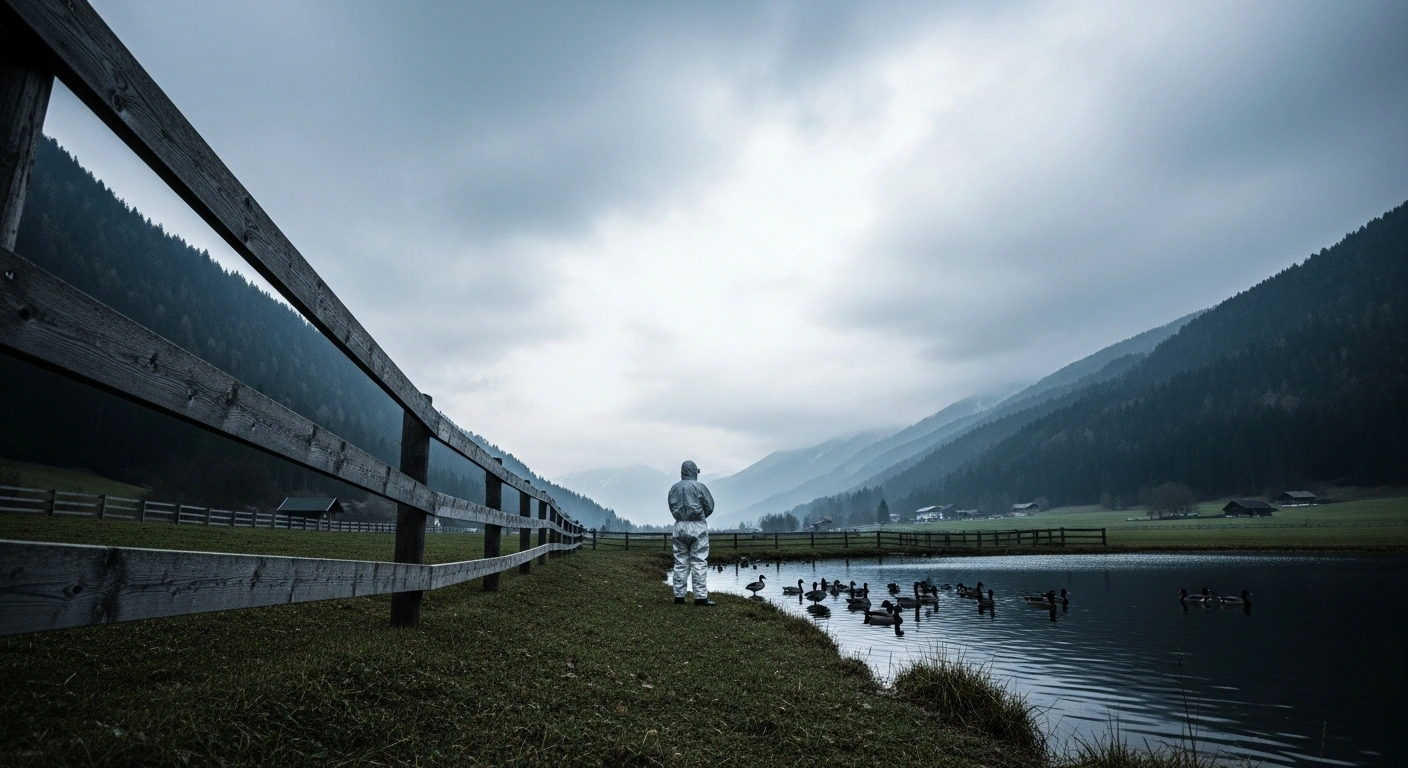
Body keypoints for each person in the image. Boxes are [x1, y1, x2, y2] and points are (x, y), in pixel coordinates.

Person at [668, 460, 715, 606]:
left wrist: (681, 516)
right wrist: (699, 516)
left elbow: (671, 505)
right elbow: (709, 506)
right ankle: (700, 597)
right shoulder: (699, 487)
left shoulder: (674, 488)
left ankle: (679, 596)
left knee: (680, 561)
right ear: (695, 471)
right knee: (699, 561)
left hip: (679, 526)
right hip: (697, 526)